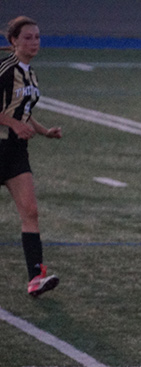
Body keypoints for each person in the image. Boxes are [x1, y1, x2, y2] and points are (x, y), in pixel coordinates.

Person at [1, 16, 62, 297]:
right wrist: (13, 124)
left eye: (37, 37)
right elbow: (11, 117)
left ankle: (35, 278)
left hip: (15, 153)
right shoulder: (5, 70)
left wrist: (44, 131)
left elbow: (22, 111)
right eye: (27, 37)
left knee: (31, 212)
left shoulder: (30, 73)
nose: (34, 42)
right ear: (13, 41)